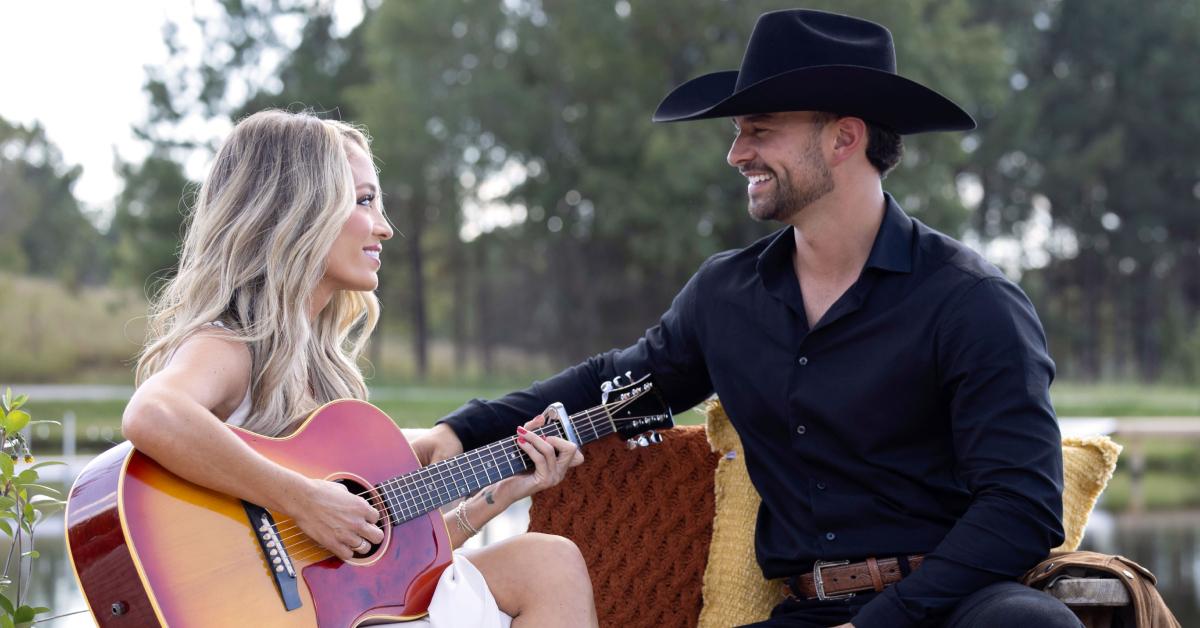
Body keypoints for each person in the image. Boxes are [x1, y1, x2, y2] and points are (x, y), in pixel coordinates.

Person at [413, 9, 1082, 628]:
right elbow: (609, 387)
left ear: (845, 137)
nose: (737, 155)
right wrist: (460, 433)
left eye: (760, 131)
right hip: (806, 611)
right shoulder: (726, 295)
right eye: (738, 134)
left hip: (951, 605)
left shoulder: (971, 301)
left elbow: (1021, 508)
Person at [121, 109, 598, 628]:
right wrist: (302, 500)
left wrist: (501, 493)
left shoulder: (321, 371)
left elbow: (383, 574)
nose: (386, 228)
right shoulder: (234, 343)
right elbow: (152, 412)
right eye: (365, 200)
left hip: (335, 610)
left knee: (547, 562)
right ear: (299, 210)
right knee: (550, 566)